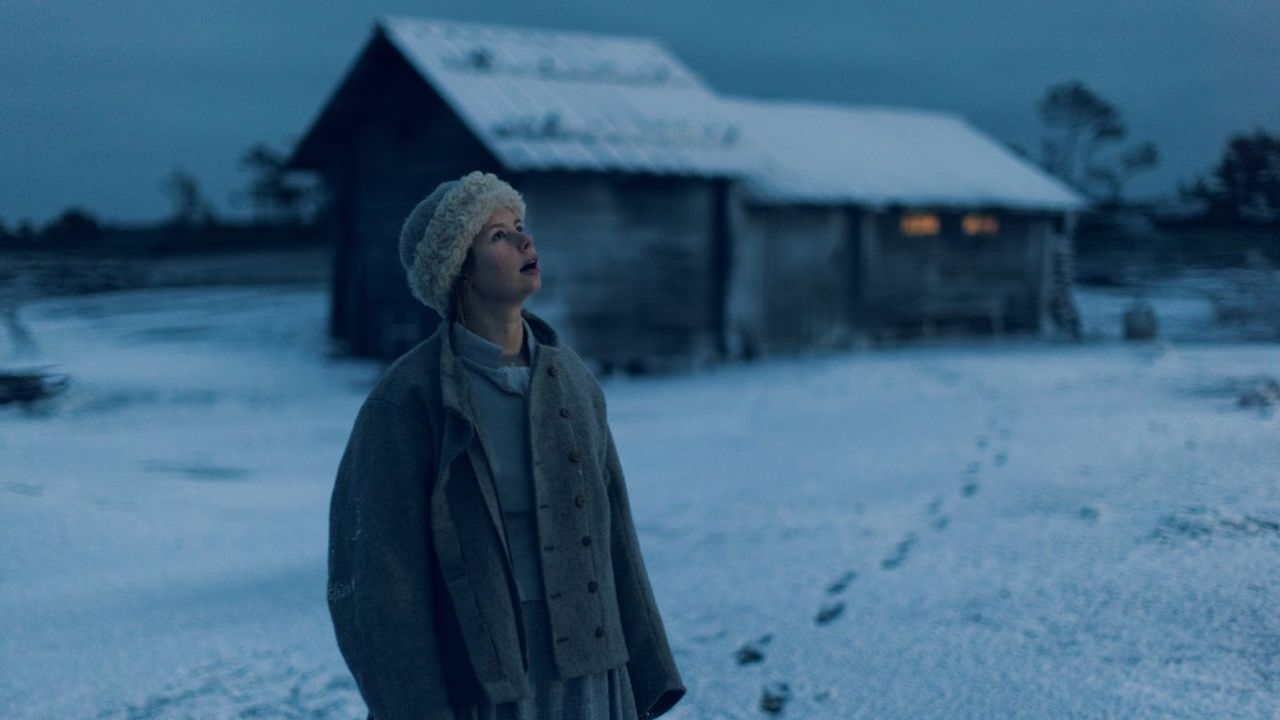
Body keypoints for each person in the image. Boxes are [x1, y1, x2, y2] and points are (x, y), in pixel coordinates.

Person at [327, 171, 686, 720]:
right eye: (497, 235)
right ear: (458, 269)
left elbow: (616, 535)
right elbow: (378, 578)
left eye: (520, 227)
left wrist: (647, 665)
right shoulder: (406, 402)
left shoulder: (573, 381)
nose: (525, 241)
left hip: (590, 667)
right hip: (484, 679)